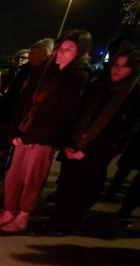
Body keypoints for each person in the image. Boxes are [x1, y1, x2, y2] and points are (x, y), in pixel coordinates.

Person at [0, 30, 93, 233]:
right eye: (60, 48)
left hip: (44, 138)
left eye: (68, 50)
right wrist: (15, 131)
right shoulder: (47, 70)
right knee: (14, 175)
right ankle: (9, 210)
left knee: (32, 178)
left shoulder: (77, 76)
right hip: (24, 133)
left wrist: (30, 136)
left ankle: (23, 216)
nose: (61, 53)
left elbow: (62, 115)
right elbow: (25, 101)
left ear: (79, 53)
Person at [44, 50, 140, 236]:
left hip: (95, 153)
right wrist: (69, 143)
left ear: (133, 70)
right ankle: (54, 222)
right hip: (74, 145)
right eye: (115, 65)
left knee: (79, 192)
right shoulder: (99, 87)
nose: (117, 70)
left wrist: (89, 150)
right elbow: (78, 114)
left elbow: (120, 133)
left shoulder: (132, 97)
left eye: (123, 67)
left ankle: (65, 226)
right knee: (65, 186)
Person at [0, 39, 53, 128]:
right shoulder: (24, 71)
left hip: (23, 120)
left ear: (45, 54)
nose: (30, 57)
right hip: (9, 115)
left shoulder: (45, 76)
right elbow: (11, 93)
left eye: (34, 54)